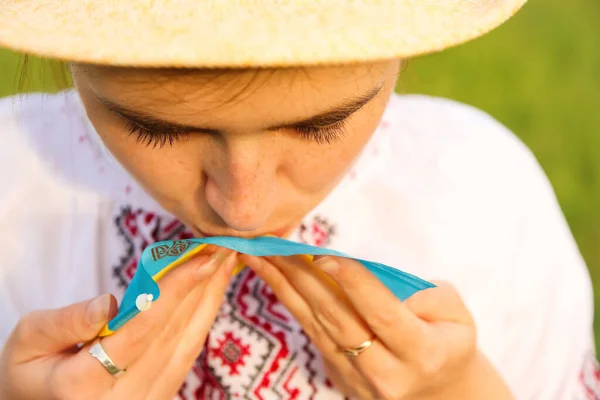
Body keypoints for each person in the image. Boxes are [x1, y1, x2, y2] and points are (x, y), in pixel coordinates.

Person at [0, 1, 597, 399]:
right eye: (159, 130)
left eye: (321, 126)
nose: (243, 208)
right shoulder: (16, 187)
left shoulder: (480, 193)